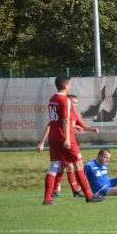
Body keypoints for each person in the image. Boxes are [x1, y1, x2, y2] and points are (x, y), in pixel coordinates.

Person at [42, 75, 104, 205]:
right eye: (69, 84)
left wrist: (73, 126)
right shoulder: (65, 100)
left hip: (53, 137)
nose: (69, 86)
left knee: (54, 167)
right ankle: (88, 195)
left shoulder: (52, 99)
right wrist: (67, 138)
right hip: (63, 137)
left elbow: (57, 120)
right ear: (65, 86)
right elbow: (65, 119)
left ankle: (47, 199)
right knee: (78, 164)